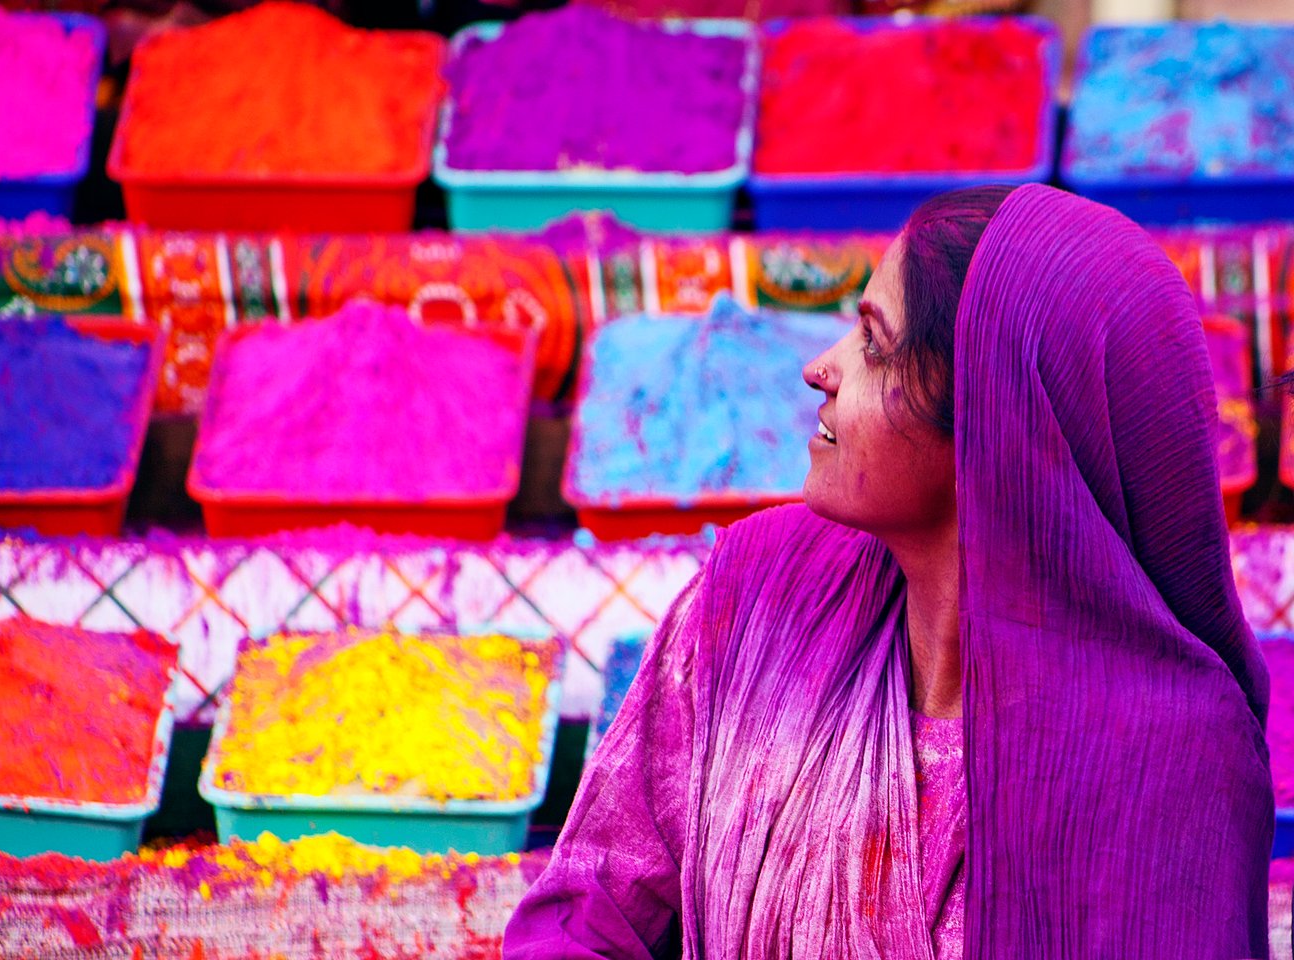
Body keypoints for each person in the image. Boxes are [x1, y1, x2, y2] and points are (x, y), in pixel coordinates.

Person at [503, 183, 1274, 958]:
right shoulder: (756, 597)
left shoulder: (1171, 771)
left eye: (873, 343)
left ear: (992, 418)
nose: (820, 367)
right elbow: (588, 909)